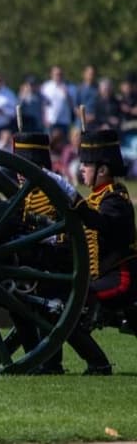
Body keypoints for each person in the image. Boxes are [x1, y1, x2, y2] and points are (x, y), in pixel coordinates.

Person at [43, 129, 137, 375]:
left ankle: (99, 363)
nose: (81, 169)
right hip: (99, 277)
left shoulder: (116, 200)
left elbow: (99, 223)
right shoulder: (97, 199)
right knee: (53, 299)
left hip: (120, 278)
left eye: (86, 164)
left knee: (65, 306)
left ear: (103, 170)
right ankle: (51, 364)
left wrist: (73, 198)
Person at [41, 65, 78, 139]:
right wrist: (44, 118)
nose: (58, 76)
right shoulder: (46, 87)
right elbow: (43, 104)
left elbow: (73, 106)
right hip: (51, 121)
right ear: (51, 74)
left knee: (64, 147)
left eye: (60, 74)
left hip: (64, 122)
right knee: (49, 145)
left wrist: (67, 94)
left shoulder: (70, 87)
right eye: (56, 74)